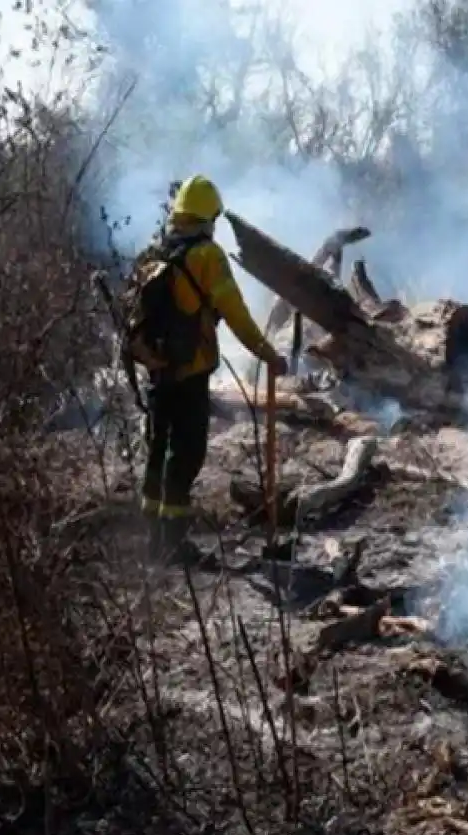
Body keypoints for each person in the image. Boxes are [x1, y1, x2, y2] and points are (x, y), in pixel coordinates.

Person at [138, 174, 287, 563]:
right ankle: (174, 546)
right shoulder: (207, 256)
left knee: (158, 449)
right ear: (208, 217)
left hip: (158, 369)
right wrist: (265, 352)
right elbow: (234, 311)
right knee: (186, 454)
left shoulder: (157, 251)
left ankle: (151, 540)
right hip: (190, 371)